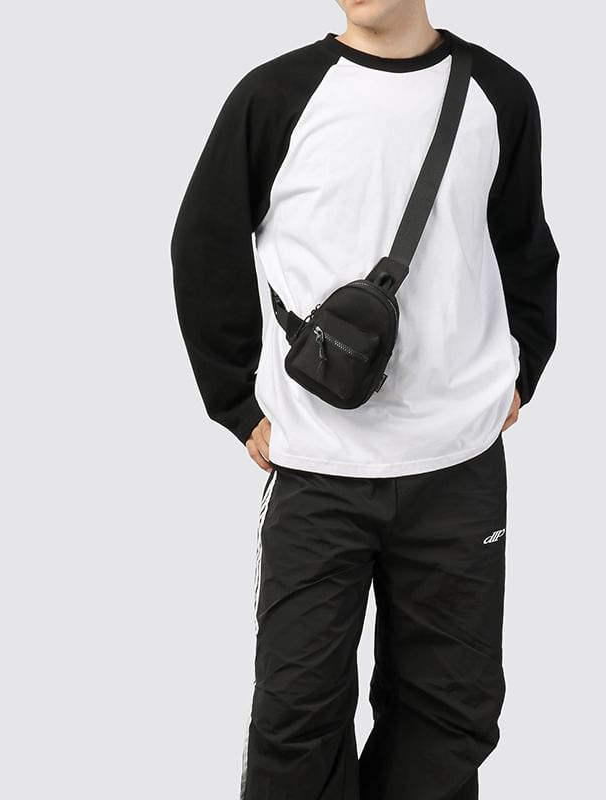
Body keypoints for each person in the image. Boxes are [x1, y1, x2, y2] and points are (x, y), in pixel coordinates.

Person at [171, 1, 559, 797]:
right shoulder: (275, 95)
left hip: (459, 466)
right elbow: (203, 243)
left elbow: (524, 244)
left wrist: (525, 369)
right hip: (319, 468)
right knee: (297, 719)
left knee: (448, 715)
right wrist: (235, 404)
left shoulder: (498, 93)